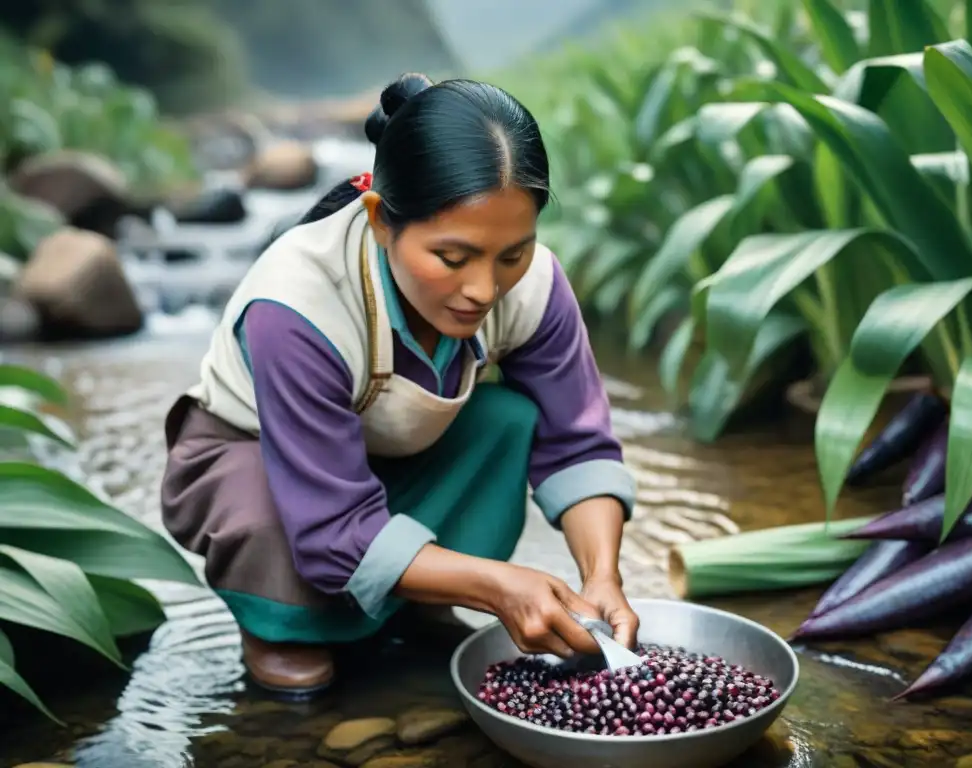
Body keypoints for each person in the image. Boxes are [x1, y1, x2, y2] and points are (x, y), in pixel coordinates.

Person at [160, 72, 639, 697]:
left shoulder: (536, 286)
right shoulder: (297, 304)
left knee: (509, 418)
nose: (484, 289)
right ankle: (280, 627)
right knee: (271, 521)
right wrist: (498, 585)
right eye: (453, 257)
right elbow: (332, 526)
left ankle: (420, 600)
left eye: (512, 254)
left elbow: (577, 443)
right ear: (382, 220)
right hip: (261, 461)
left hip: (395, 450)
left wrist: (602, 576)